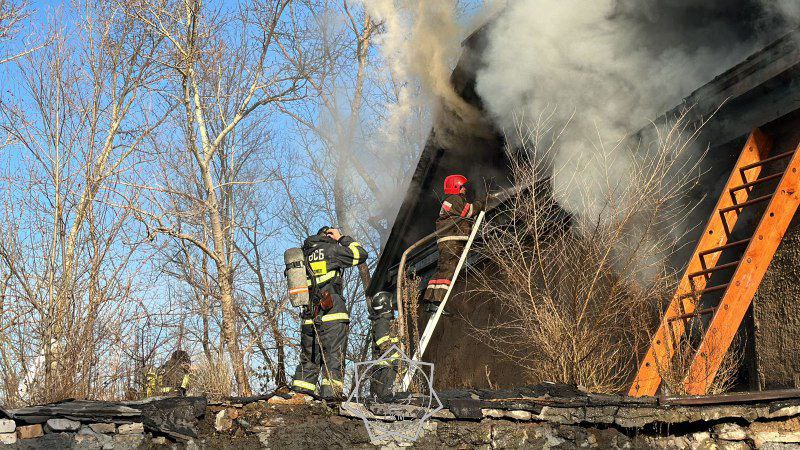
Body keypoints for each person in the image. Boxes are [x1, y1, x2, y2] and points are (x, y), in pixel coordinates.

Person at [290, 226, 368, 400]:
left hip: (309, 317)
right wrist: (341, 238)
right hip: (333, 315)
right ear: (328, 236)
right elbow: (360, 254)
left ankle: (300, 397)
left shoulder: (302, 255)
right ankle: (331, 400)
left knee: (309, 361)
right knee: (333, 358)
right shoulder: (332, 250)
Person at [421, 174, 482, 316]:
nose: (465, 189)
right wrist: (481, 203)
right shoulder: (455, 199)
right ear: (456, 187)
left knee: (441, 269)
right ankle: (437, 302)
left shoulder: (447, 202)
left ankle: (430, 300)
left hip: (445, 240)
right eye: (462, 186)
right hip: (452, 238)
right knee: (449, 269)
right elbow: (470, 211)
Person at [368, 291, 400, 397]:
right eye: (390, 301)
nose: (392, 304)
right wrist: (397, 361)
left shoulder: (387, 322)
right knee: (385, 399)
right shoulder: (382, 323)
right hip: (385, 370)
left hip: (386, 368)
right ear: (385, 304)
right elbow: (384, 345)